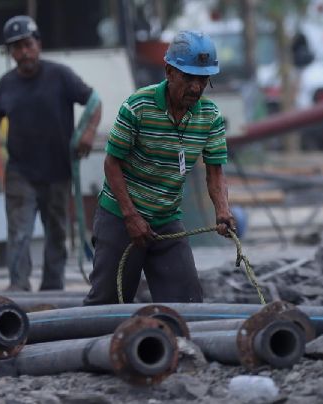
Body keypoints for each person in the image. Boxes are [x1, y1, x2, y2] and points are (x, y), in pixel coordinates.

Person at [83, 30, 236, 305]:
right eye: (188, 78)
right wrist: (131, 217)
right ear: (169, 71)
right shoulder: (137, 106)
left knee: (188, 303)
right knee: (107, 304)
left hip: (166, 218)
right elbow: (111, 164)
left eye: (203, 80)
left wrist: (223, 210)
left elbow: (215, 173)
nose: (196, 88)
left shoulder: (210, 116)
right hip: (120, 215)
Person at [0, 15, 101, 291]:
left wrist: (88, 133)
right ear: (10, 53)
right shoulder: (6, 84)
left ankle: (52, 288)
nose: (23, 52)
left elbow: (94, 100)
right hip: (21, 172)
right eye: (16, 47)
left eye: (27, 44)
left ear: (38, 43)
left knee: (56, 234)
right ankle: (19, 286)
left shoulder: (60, 76)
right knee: (19, 233)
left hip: (58, 171)